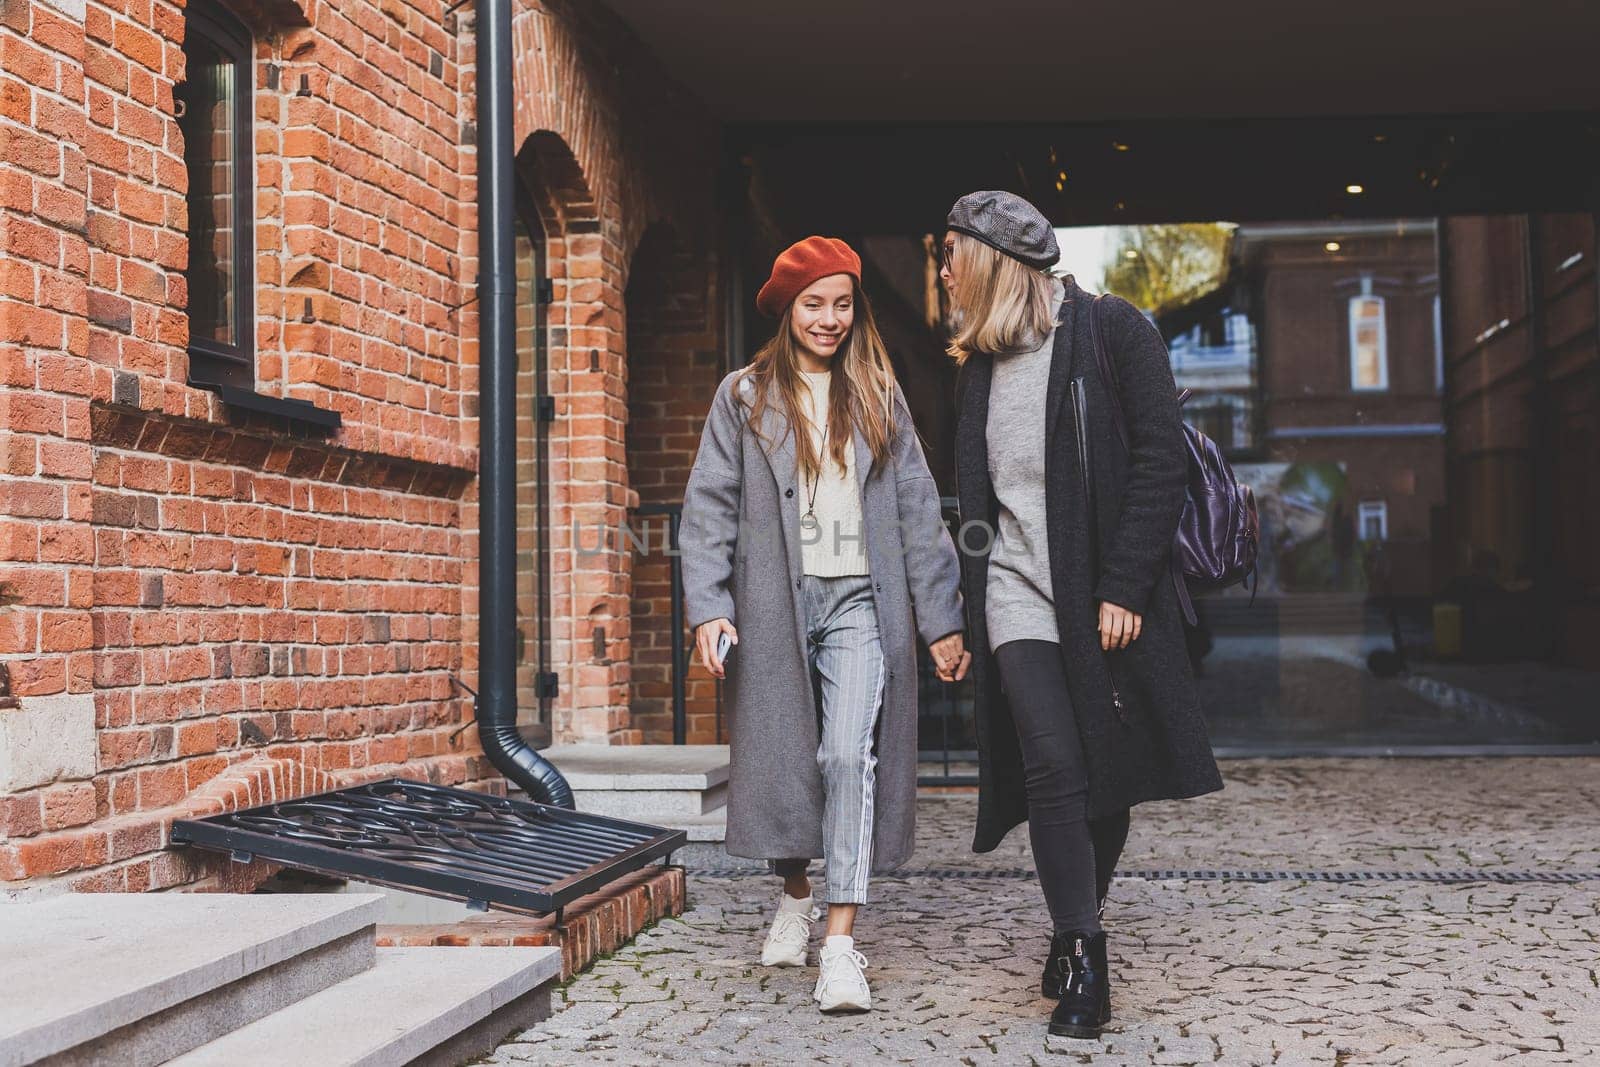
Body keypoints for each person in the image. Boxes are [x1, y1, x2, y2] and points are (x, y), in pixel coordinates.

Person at [941, 192, 1223, 1040]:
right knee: (1055, 764)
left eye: (950, 253)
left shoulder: (1112, 331)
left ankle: (1074, 919)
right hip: (1016, 593)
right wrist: (965, 588)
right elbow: (984, 498)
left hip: (1102, 593)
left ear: (989, 261)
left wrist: (1126, 587)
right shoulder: (978, 365)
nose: (943, 270)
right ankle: (1085, 952)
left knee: (1107, 774)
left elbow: (1159, 462)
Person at [680, 236, 969, 1014]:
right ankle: (796, 893)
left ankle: (840, 943)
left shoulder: (879, 393)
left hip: (860, 603)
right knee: (783, 762)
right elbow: (708, 506)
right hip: (776, 602)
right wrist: (709, 604)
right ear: (786, 308)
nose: (830, 318)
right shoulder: (742, 396)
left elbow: (917, 509)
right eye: (815, 303)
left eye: (842, 303)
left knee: (848, 755)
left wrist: (942, 618)